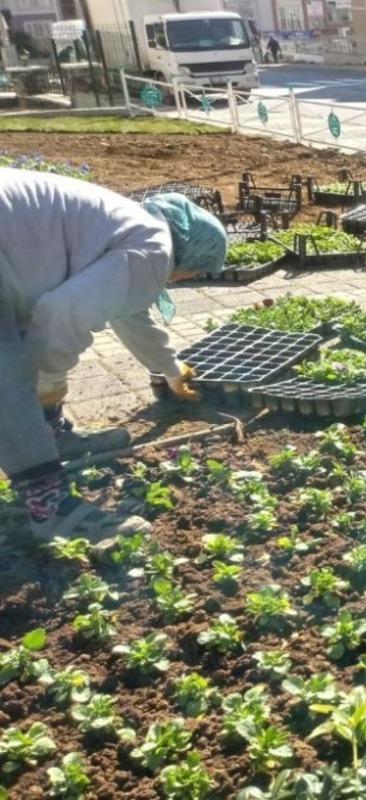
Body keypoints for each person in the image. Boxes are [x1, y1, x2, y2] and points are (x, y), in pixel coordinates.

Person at [0, 169, 228, 545]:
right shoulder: (155, 248)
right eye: (198, 270)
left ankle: (51, 437)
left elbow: (128, 313)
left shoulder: (130, 225)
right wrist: (47, 386)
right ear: (191, 251)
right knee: (9, 381)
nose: (187, 279)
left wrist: (171, 369)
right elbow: (62, 314)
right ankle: (51, 509)